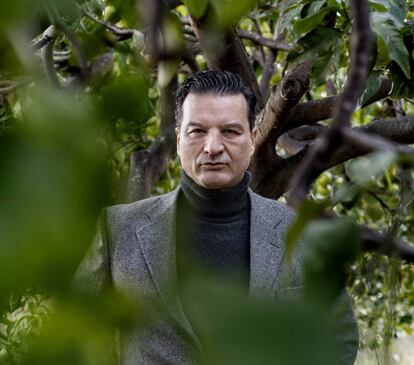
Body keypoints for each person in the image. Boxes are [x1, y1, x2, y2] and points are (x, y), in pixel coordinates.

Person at [74, 70, 359, 364]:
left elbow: (338, 339)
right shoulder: (118, 229)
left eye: (230, 131)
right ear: (178, 139)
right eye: (197, 131)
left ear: (252, 138)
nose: (212, 148)